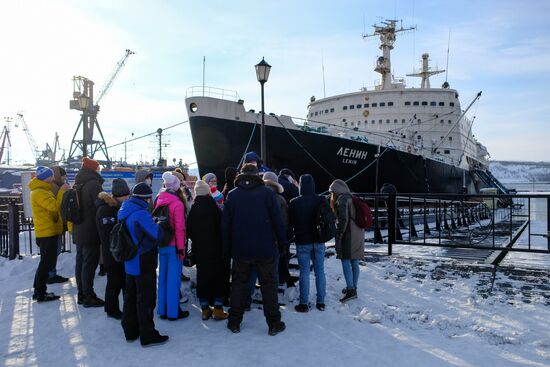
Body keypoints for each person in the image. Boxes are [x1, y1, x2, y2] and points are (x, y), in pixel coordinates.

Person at [222, 164, 287, 336]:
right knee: (269, 286)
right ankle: (274, 323)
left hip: (241, 250)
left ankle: (234, 322)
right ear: (257, 175)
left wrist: (226, 250)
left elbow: (226, 226)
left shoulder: (233, 195)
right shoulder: (267, 193)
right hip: (265, 249)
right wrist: (282, 243)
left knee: (238, 285)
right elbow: (277, 221)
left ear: (241, 175)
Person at [119, 183, 169, 347]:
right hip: (143, 260)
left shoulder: (125, 209)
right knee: (146, 299)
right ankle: (148, 335)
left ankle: (130, 331)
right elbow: (157, 235)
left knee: (131, 297)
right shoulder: (141, 214)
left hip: (130, 260)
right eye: (149, 198)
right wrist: (161, 224)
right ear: (145, 199)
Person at [187, 180, 228, 321]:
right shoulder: (214, 207)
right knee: (219, 277)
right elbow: (223, 227)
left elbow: (189, 231)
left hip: (200, 250)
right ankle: (217, 308)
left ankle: (205, 309)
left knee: (202, 277)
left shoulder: (193, 209)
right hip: (216, 249)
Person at [29, 166, 69, 302]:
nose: (53, 178)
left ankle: (39, 290)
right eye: (51, 176)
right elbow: (54, 206)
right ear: (45, 177)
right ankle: (40, 292)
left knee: (46, 263)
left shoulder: (43, 190)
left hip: (49, 231)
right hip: (47, 233)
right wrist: (62, 192)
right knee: (46, 264)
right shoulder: (39, 192)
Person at [289, 174, 326, 312]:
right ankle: (321, 302)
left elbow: (291, 222)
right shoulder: (321, 199)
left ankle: (303, 303)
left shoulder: (294, 202)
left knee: (304, 272)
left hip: (302, 241)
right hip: (318, 240)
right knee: (320, 272)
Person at [154, 172, 189, 321]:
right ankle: (174, 312)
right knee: (174, 280)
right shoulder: (177, 203)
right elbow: (180, 229)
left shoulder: (159, 199)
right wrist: (181, 249)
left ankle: (162, 309)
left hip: (162, 244)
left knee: (162, 278)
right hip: (174, 246)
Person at [95, 178, 130, 319]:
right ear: (118, 195)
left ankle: (125, 307)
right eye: (125, 195)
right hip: (112, 252)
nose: (127, 198)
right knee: (114, 282)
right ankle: (111, 309)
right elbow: (109, 233)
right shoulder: (106, 210)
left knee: (123, 281)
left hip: (119, 251)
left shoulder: (117, 207)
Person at [73, 157, 105, 307]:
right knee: (89, 263)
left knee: (80, 261)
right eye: (98, 168)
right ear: (94, 169)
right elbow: (100, 204)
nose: (99, 170)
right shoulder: (93, 184)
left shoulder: (78, 183)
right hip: (90, 229)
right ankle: (88, 295)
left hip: (78, 228)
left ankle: (81, 294)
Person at [328, 179, 365, 303]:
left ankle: (350, 290)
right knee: (354, 261)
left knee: (345, 260)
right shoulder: (352, 197)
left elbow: (343, 220)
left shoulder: (342, 200)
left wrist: (339, 236)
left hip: (349, 234)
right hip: (359, 233)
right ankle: (353, 287)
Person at [47, 165, 70, 284]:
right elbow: (57, 204)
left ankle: (51, 273)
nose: (64, 177)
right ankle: (50, 274)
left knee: (55, 250)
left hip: (57, 223)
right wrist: (63, 191)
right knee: (53, 251)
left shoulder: (57, 186)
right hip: (53, 224)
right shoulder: (54, 187)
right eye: (63, 175)